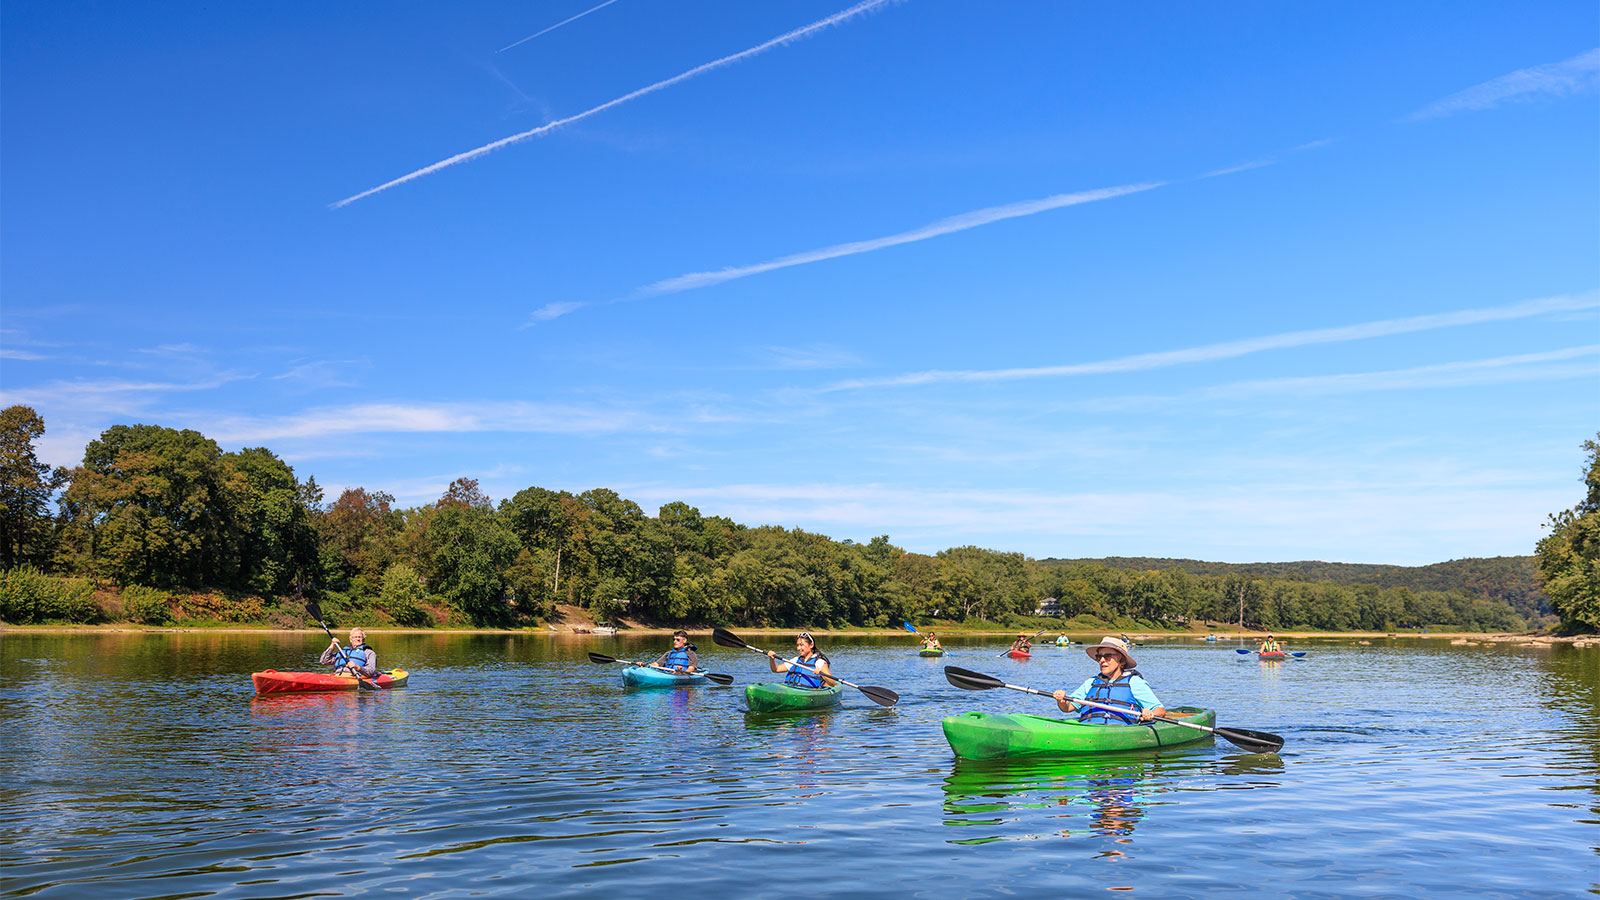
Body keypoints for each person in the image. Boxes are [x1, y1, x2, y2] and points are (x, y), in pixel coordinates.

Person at [1052, 636, 1166, 724]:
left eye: (1107, 657)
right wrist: (1061, 700)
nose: (1102, 660)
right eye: (1099, 657)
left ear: (1121, 660)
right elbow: (1067, 708)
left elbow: (1159, 710)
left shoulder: (1134, 682)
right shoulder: (1091, 683)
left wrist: (1150, 713)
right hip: (1088, 728)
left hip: (1119, 730)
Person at [766, 632, 834, 688]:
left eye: (801, 645)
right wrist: (772, 659)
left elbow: (832, 683)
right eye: (797, 645)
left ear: (811, 645)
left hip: (809, 694)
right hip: (791, 692)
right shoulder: (795, 660)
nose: (799, 648)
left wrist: (822, 674)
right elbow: (776, 669)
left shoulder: (819, 662)